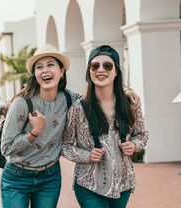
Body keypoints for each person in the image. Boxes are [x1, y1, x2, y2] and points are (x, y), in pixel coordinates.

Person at [0, 44, 141, 208]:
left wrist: (126, 90)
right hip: (17, 176)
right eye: (39, 67)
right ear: (35, 75)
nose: (45, 70)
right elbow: (6, 148)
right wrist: (34, 132)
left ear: (61, 72)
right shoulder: (22, 103)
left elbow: (99, 91)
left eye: (50, 65)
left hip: (49, 177)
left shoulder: (69, 99)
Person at [61, 45, 149, 208]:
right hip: (88, 184)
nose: (100, 69)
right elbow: (65, 146)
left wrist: (134, 145)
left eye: (107, 65)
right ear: (89, 72)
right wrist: (86, 155)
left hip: (123, 184)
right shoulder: (78, 108)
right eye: (95, 66)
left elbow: (142, 135)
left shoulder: (130, 104)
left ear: (116, 72)